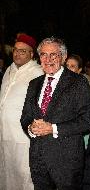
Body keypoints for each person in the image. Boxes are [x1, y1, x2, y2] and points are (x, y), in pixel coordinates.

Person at [20, 36, 90, 190]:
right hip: (38, 160)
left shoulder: (78, 82)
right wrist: (31, 128)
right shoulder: (34, 84)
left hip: (66, 163)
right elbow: (25, 117)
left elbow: (87, 121)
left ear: (63, 57)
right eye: (43, 54)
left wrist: (52, 128)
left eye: (53, 54)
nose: (48, 59)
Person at [0, 33, 44, 190]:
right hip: (5, 133)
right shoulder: (8, 70)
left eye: (23, 51)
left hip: (23, 136)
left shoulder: (38, 72)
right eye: (15, 50)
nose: (17, 54)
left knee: (24, 173)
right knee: (6, 171)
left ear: (32, 54)